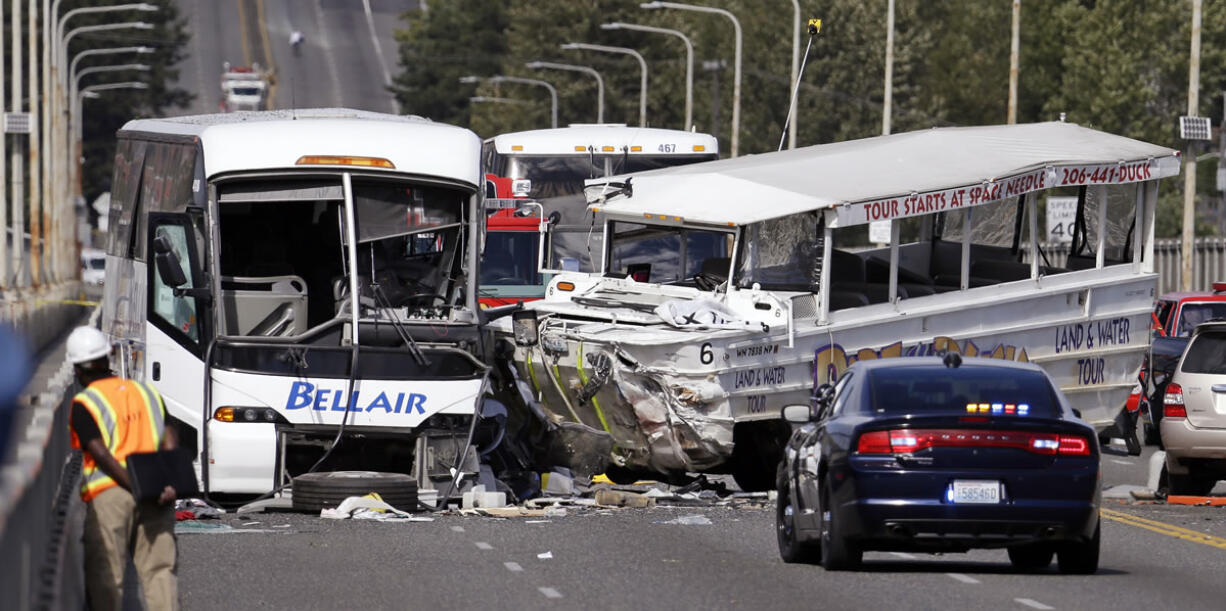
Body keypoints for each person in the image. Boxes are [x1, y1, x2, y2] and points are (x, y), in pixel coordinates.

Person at [67, 326, 179, 611]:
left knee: (107, 575)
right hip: (156, 487)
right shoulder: (146, 392)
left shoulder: (85, 402)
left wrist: (135, 484)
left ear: (78, 371)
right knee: (159, 572)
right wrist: (166, 480)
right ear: (108, 359)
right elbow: (169, 436)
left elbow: (100, 454)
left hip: (112, 492)